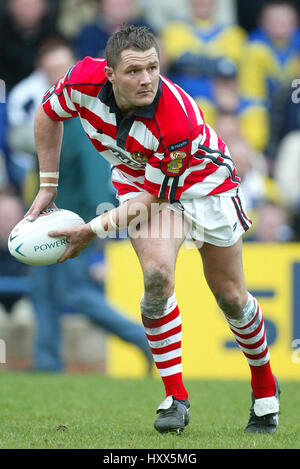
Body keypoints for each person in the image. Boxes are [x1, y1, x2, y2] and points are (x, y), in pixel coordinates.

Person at [25, 25, 280, 435]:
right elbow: (46, 114)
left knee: (231, 297)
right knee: (157, 277)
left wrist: (90, 229)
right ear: (109, 74)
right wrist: (48, 185)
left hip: (206, 184)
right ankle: (175, 397)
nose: (146, 79)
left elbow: (156, 199)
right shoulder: (80, 80)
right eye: (134, 71)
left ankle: (265, 388)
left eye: (153, 68)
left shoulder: (174, 118)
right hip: (140, 180)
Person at [239, 0, 300, 101]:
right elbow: (251, 96)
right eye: (273, 20)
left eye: (284, 20)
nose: (279, 24)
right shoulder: (254, 48)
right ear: (262, 23)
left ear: (295, 21)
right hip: (265, 107)